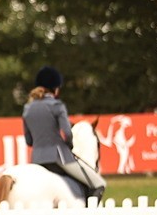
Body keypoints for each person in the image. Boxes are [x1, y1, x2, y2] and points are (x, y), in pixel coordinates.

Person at [23, 66, 106, 202]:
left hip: (36, 159)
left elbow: (28, 141)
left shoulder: (27, 108)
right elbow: (67, 133)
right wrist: (69, 146)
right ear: (55, 89)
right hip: (58, 157)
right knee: (99, 184)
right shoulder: (57, 106)